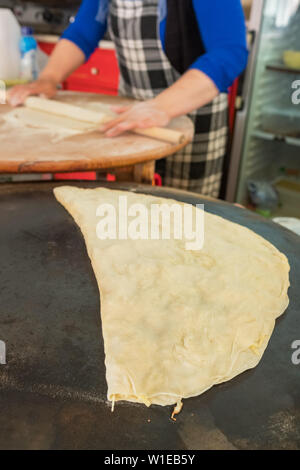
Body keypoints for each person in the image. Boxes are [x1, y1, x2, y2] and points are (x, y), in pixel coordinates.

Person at [8, 0, 248, 197]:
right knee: (131, 215)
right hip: (132, 119)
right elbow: (83, 31)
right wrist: (49, 78)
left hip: (193, 116)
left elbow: (229, 51)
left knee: (183, 222)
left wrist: (161, 106)